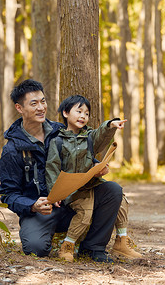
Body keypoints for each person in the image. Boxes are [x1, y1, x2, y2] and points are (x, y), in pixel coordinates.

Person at [0, 79, 123, 263]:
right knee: (36, 248)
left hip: (72, 201)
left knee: (112, 191)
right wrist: (33, 205)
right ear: (19, 108)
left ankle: (93, 248)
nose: (41, 107)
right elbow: (8, 194)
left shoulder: (59, 131)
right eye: (34, 103)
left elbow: (78, 154)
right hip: (42, 210)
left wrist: (96, 167)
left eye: (43, 101)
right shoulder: (12, 150)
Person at [45, 95, 142, 262]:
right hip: (72, 192)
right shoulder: (57, 141)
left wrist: (111, 125)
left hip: (91, 186)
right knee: (85, 213)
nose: (83, 116)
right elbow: (52, 169)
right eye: (79, 111)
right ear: (66, 113)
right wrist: (55, 195)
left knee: (117, 194)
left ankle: (121, 242)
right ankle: (67, 246)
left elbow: (101, 134)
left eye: (87, 113)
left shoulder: (89, 138)